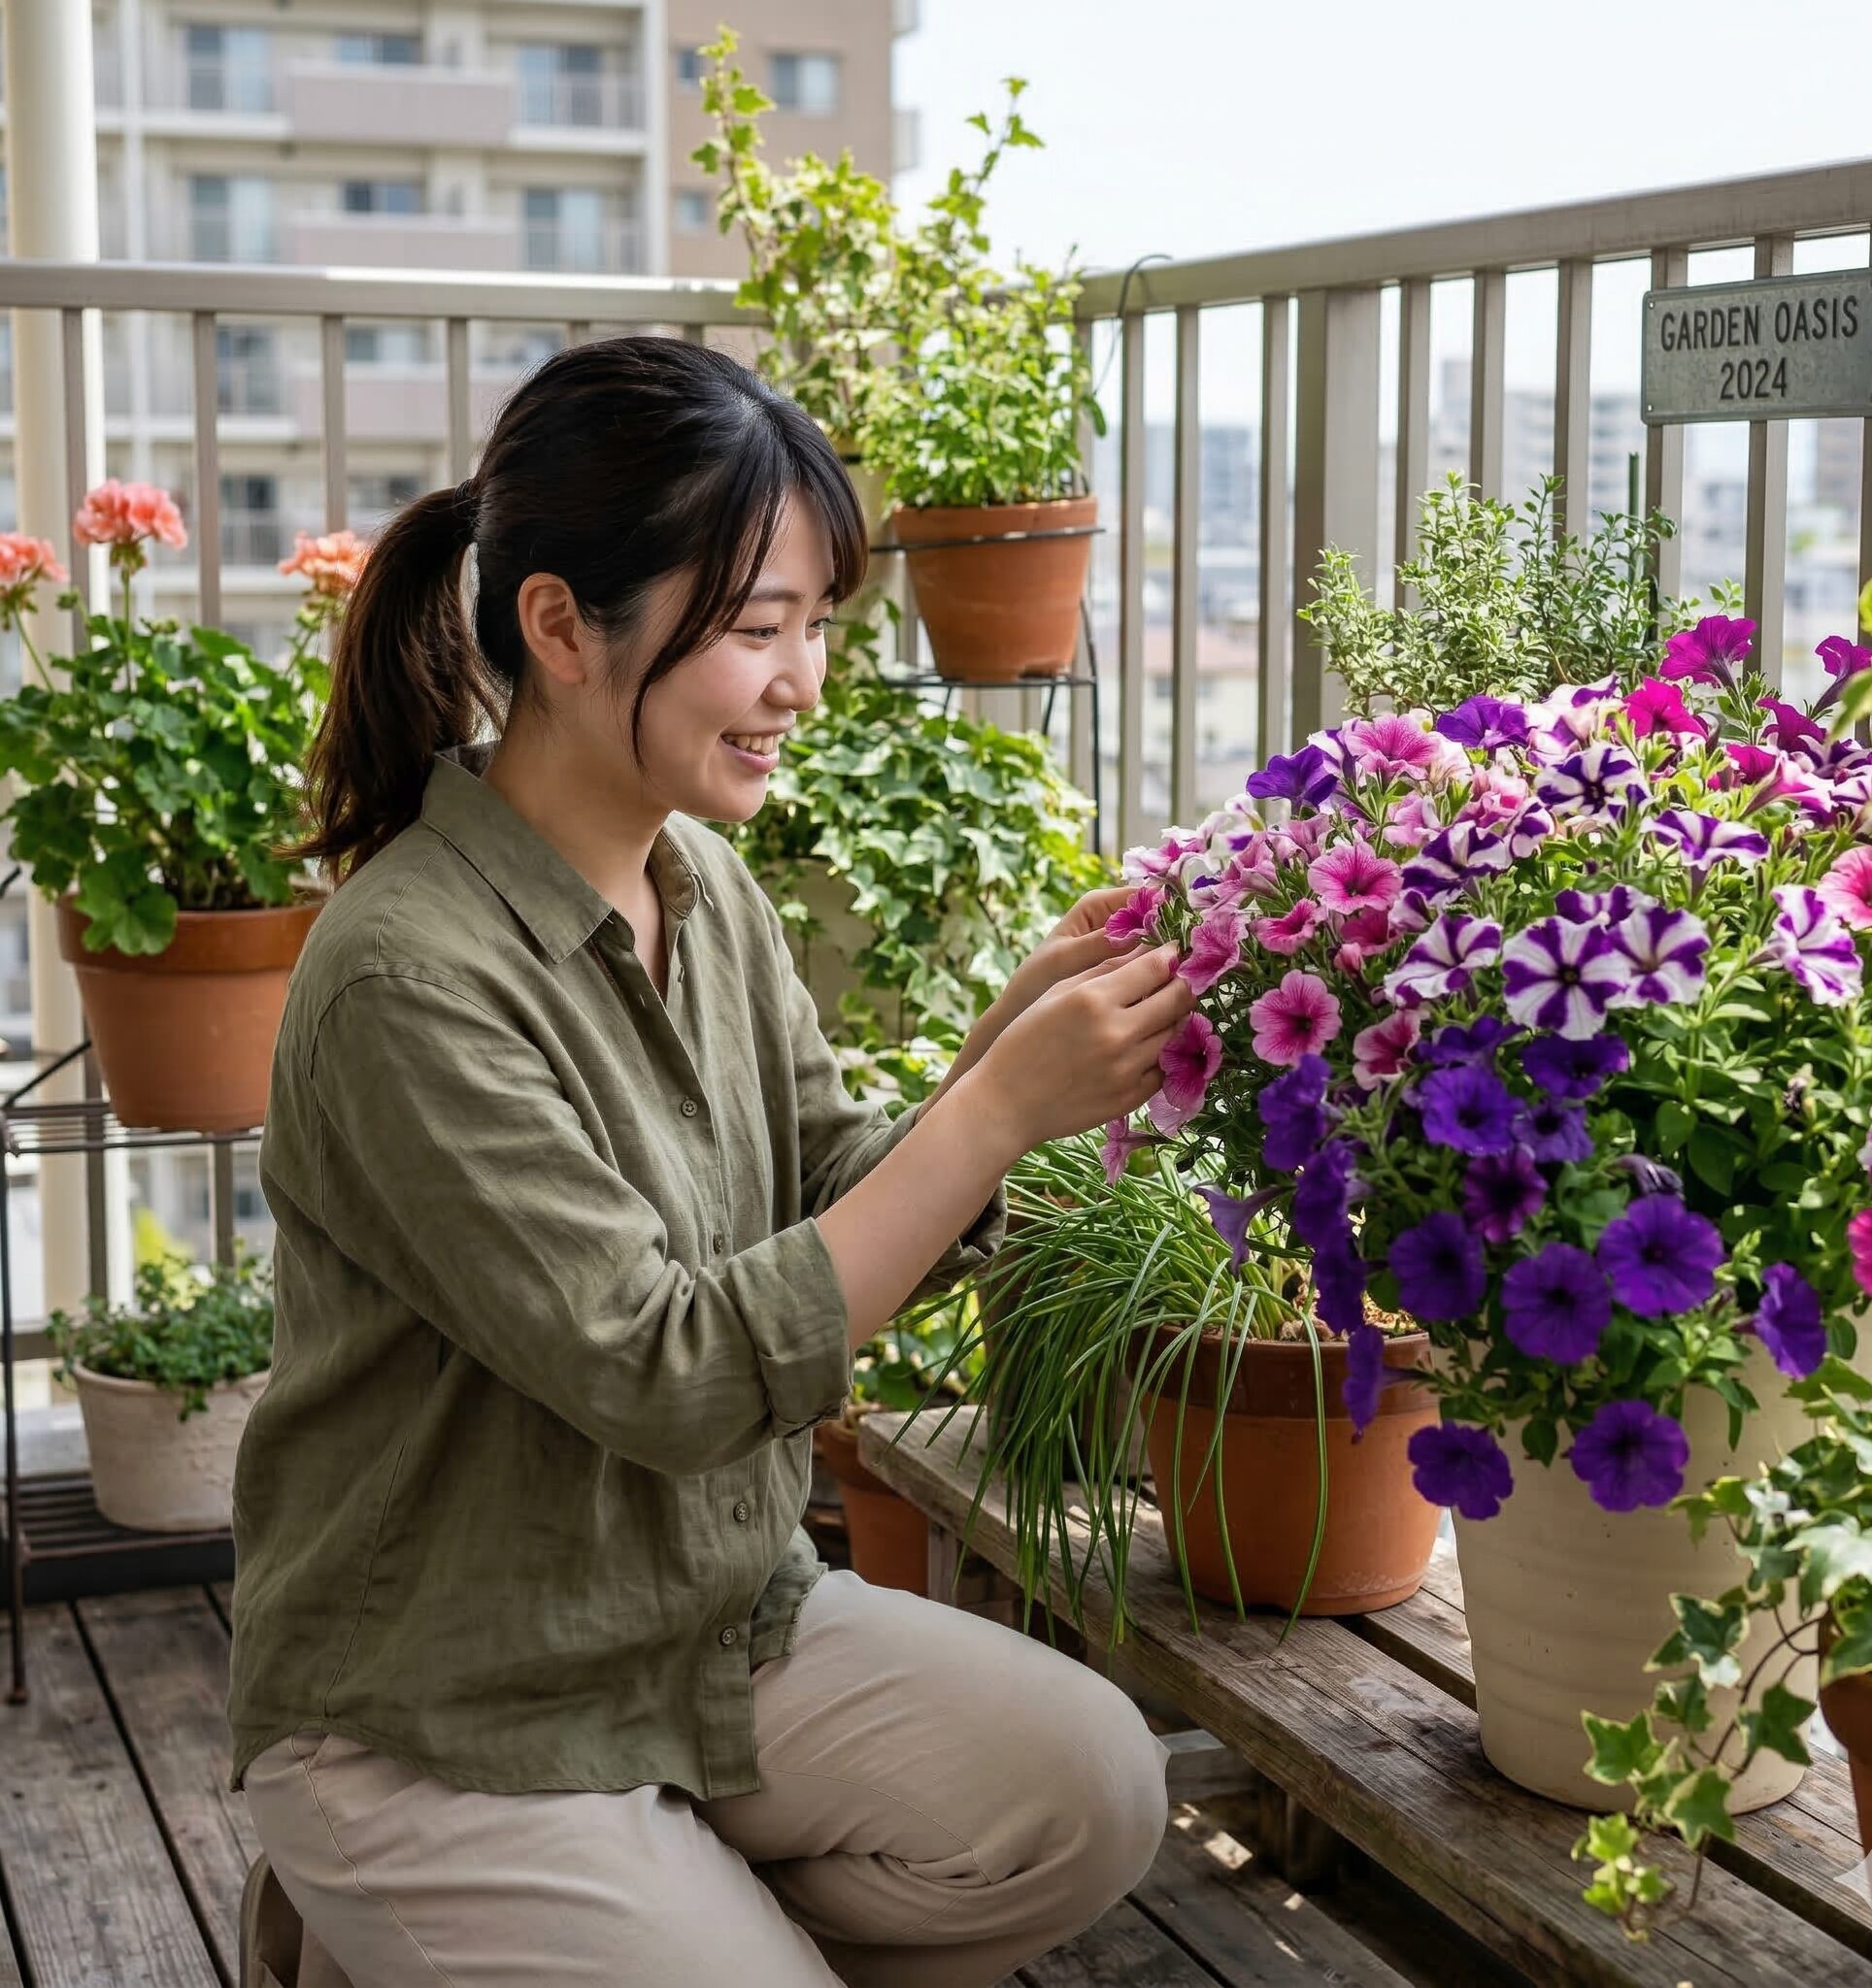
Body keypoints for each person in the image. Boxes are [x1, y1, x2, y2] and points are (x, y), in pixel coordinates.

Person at [226, 335, 1191, 1988]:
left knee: (1090, 1794)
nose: (804, 682)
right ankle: (416, 1915)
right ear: (559, 627)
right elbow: (667, 1369)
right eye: (758, 631)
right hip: (437, 1711)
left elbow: (825, 1178)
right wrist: (991, 1116)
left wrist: (1000, 1065)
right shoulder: (406, 978)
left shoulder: (704, 891)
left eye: (815, 626)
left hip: (703, 1624)